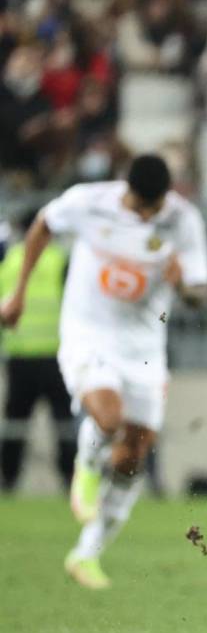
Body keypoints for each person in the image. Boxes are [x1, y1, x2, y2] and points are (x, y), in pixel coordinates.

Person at [0, 154, 207, 590]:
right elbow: (43, 225)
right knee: (108, 417)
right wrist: (18, 292)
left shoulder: (183, 220)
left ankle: (87, 553)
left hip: (145, 346)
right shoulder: (88, 202)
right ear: (125, 191)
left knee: (134, 454)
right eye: (140, 207)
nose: (147, 215)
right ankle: (87, 465)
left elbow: (199, 295)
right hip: (88, 332)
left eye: (155, 208)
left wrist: (180, 284)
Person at [0, 207, 75, 493]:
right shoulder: (61, 261)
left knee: (16, 423)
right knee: (64, 423)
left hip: (21, 357)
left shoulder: (8, 261)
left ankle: (8, 480)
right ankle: (70, 480)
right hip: (56, 357)